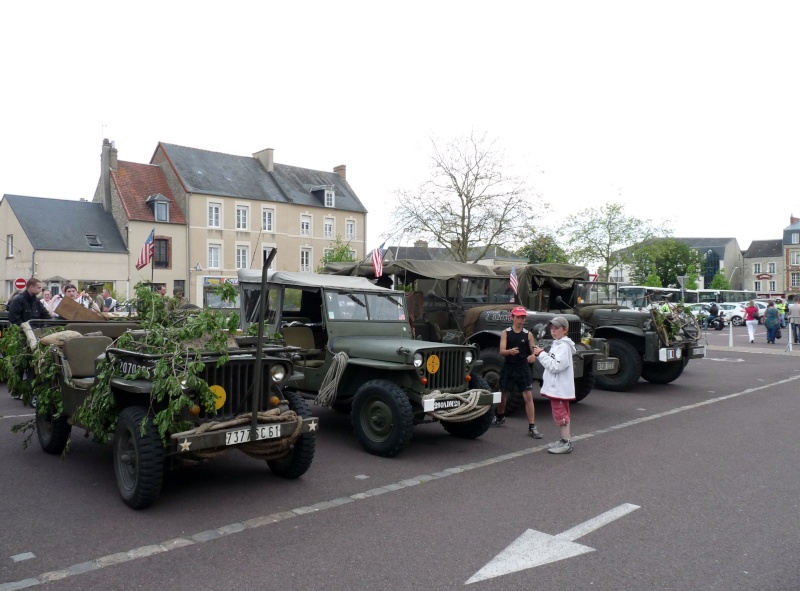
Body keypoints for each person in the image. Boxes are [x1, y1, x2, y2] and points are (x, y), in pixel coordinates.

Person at [492, 306, 541, 439]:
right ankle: (500, 417)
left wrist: (534, 356)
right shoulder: (505, 333)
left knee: (528, 397)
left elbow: (535, 350)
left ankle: (532, 426)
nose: (521, 320)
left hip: (522, 368)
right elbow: (502, 351)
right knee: (503, 394)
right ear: (512, 317)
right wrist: (509, 352)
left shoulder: (528, 334)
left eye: (523, 317)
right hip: (508, 366)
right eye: (518, 317)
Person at [533, 316, 576, 454]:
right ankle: (564, 440)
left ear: (565, 330)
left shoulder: (563, 346)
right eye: (551, 328)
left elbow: (556, 366)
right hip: (558, 387)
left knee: (560, 414)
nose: (553, 331)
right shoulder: (558, 344)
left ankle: (566, 443)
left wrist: (541, 354)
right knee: (562, 413)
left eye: (556, 328)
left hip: (559, 388)